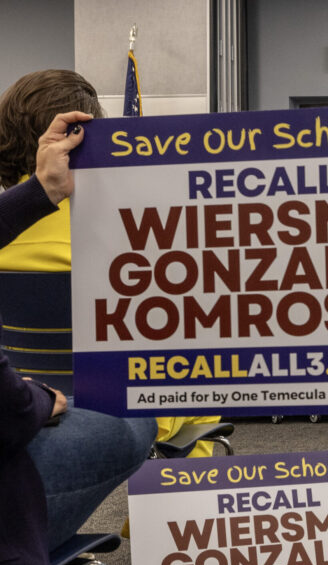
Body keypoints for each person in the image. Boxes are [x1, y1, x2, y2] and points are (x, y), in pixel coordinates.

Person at [0, 110, 156, 565]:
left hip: (27, 393)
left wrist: (37, 194)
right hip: (34, 418)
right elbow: (12, 412)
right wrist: (38, 401)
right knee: (139, 412)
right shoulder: (124, 234)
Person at [0, 69, 221, 458]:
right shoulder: (134, 241)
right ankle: (154, 520)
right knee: (200, 400)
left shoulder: (9, 229)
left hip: (19, 398)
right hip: (114, 402)